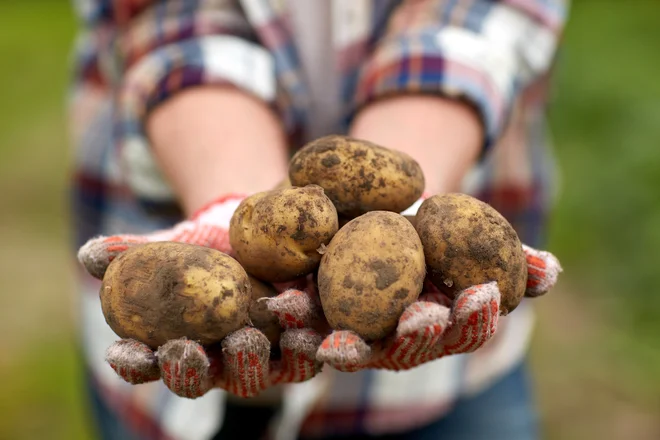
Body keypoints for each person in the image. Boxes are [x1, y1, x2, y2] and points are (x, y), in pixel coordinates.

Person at [69, 1, 568, 439]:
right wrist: (230, 194)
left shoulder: (383, 215)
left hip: (449, 391)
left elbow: (483, 13)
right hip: (165, 407)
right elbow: (167, 15)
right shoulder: (286, 226)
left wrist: (415, 170)